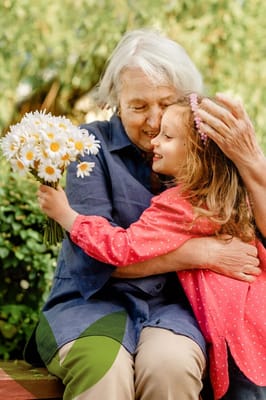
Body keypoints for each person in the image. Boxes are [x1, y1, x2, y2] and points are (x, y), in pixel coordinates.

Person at [24, 28, 263, 400]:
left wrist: (251, 162)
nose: (154, 122)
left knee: (172, 367)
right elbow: (97, 257)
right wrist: (200, 252)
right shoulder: (89, 147)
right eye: (138, 106)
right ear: (116, 101)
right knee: (103, 370)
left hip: (172, 308)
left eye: (166, 104)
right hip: (92, 304)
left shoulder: (203, 152)